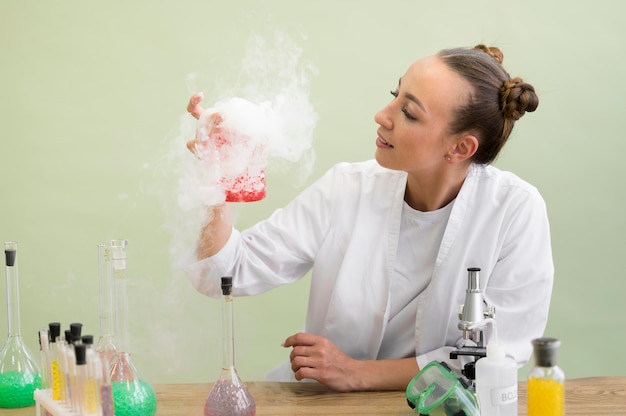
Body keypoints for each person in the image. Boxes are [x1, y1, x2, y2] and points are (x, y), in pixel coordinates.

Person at [183, 44, 554, 392]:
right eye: (395, 97)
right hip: (325, 404)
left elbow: (493, 359)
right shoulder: (348, 187)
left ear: (460, 147)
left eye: (408, 112)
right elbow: (221, 275)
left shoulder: (514, 210)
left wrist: (356, 372)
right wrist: (217, 176)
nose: (382, 116)